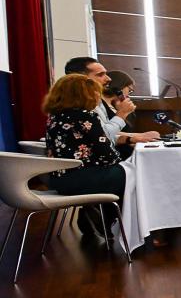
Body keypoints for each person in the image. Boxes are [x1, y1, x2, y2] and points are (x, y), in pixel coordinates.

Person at [42, 74, 127, 235]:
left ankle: (103, 218)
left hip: (60, 179)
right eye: (96, 92)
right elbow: (107, 154)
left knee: (125, 173)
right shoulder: (85, 115)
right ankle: (123, 225)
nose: (98, 96)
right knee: (135, 175)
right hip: (83, 178)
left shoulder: (54, 116)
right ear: (84, 94)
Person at [61, 57, 160, 145]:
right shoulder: (75, 105)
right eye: (100, 75)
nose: (108, 79)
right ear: (81, 78)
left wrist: (131, 139)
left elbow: (106, 134)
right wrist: (122, 113)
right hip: (91, 164)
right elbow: (103, 136)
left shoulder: (96, 101)